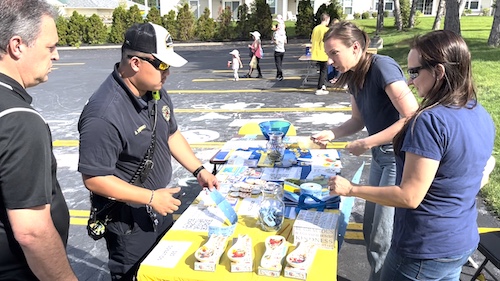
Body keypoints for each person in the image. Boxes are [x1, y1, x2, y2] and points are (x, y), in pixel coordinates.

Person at [328, 30, 495, 281]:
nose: (410, 81)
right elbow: (481, 169)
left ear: (439, 71)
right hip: (461, 241)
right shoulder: (477, 111)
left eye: (415, 72)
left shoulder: (429, 121)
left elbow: (409, 196)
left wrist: (351, 189)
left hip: (423, 248)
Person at [77, 22, 219, 280]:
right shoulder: (104, 113)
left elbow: (171, 134)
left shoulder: (155, 91)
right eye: (162, 65)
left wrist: (199, 170)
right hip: (128, 221)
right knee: (136, 274)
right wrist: (151, 198)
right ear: (135, 63)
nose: (167, 73)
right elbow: (94, 178)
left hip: (159, 205)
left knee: (162, 270)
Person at [312, 21, 419, 281]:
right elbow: (358, 120)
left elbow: (412, 115)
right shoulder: (353, 75)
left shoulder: (382, 66)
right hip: (381, 157)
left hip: (398, 158)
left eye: (334, 53)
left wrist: (367, 142)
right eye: (328, 54)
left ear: (356, 47)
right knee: (371, 227)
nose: (331, 60)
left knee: (382, 235)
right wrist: (333, 133)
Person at [0, 0, 78, 280]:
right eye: (50, 47)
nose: (56, 56)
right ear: (17, 45)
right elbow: (32, 231)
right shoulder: (19, 120)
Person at [310, 13, 330, 95]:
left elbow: (312, 40)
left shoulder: (315, 28)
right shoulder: (326, 30)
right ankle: (319, 87)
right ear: (326, 20)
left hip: (315, 52)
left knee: (321, 70)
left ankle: (323, 85)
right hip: (323, 52)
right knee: (323, 71)